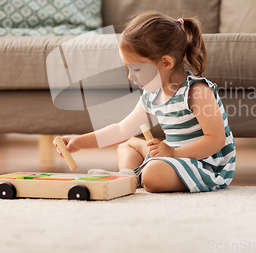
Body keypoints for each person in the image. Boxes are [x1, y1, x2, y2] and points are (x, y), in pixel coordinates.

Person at [54, 11, 236, 193]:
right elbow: (121, 130)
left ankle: (136, 177)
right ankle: (127, 176)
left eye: (137, 69)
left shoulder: (196, 91)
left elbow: (216, 140)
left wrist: (174, 154)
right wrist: (79, 142)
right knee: (127, 144)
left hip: (205, 164)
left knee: (153, 174)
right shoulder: (152, 95)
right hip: (171, 154)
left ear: (165, 63)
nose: (130, 76)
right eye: (128, 68)